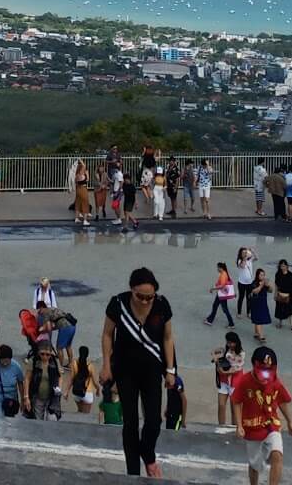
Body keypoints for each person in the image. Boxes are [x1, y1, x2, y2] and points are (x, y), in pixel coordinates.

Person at [100, 265, 177, 478]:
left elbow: (168, 337)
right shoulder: (118, 303)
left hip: (152, 370)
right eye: (140, 296)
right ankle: (132, 472)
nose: (144, 301)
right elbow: (107, 335)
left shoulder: (161, 305)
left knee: (154, 421)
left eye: (149, 297)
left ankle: (148, 454)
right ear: (131, 290)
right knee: (130, 423)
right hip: (125, 371)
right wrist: (106, 365)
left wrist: (170, 370)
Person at [232, 344, 292, 485]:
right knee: (255, 464)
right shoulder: (244, 381)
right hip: (252, 428)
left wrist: (290, 421)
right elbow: (236, 401)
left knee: (277, 455)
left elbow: (282, 401)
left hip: (272, 425)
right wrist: (239, 425)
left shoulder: (275, 381)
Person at [0, 342, 26, 418]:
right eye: (3, 361)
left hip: (11, 398)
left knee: (9, 420)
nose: (5, 364)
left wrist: (22, 400)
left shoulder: (16, 367)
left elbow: (20, 383)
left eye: (7, 361)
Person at [211, 330, 245, 426]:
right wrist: (215, 357)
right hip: (224, 382)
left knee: (234, 408)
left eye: (231, 342)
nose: (229, 344)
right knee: (221, 405)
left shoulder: (241, 354)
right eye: (227, 342)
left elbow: (236, 369)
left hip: (235, 382)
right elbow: (213, 352)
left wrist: (223, 371)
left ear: (236, 342)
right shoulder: (225, 350)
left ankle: (234, 427)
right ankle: (221, 426)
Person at [273, 259, 292, 333]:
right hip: (280, 294)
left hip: (289, 295)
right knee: (280, 310)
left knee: (291, 312)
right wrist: (275, 294)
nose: (283, 267)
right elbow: (276, 285)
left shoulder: (290, 275)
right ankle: (280, 323)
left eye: (284, 266)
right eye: (281, 266)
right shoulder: (278, 274)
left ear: (287, 266)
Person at [72, 345, 98, 416]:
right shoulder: (90, 365)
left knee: (80, 411)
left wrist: (66, 391)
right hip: (87, 393)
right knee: (86, 415)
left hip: (76, 392)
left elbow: (71, 379)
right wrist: (98, 390)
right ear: (87, 354)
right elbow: (95, 382)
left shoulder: (74, 363)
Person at [74, 159, 93, 225]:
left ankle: (76, 218)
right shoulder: (81, 174)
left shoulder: (76, 175)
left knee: (77, 203)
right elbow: (84, 166)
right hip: (83, 189)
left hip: (78, 189)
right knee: (85, 203)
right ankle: (85, 220)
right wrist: (81, 161)